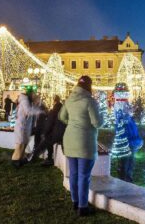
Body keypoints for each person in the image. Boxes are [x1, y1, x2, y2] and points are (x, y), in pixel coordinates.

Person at [58, 76, 102, 217]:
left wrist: (73, 123)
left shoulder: (69, 99)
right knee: (84, 175)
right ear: (89, 86)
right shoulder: (89, 101)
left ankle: (75, 201)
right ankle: (83, 207)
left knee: (74, 173)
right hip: (84, 142)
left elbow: (62, 117)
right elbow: (97, 123)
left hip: (69, 140)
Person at [30, 95, 65, 166]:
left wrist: (45, 132)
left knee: (45, 142)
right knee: (44, 142)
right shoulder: (62, 110)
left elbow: (49, 123)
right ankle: (42, 157)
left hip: (52, 133)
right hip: (59, 134)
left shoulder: (52, 110)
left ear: (54, 101)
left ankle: (40, 158)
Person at [11, 87, 41, 168]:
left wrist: (36, 104)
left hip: (25, 126)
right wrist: (40, 110)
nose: (35, 95)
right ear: (30, 94)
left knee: (24, 144)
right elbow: (28, 111)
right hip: (21, 125)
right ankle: (15, 161)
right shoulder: (25, 100)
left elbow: (33, 116)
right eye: (34, 94)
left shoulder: (30, 102)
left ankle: (20, 159)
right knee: (19, 144)